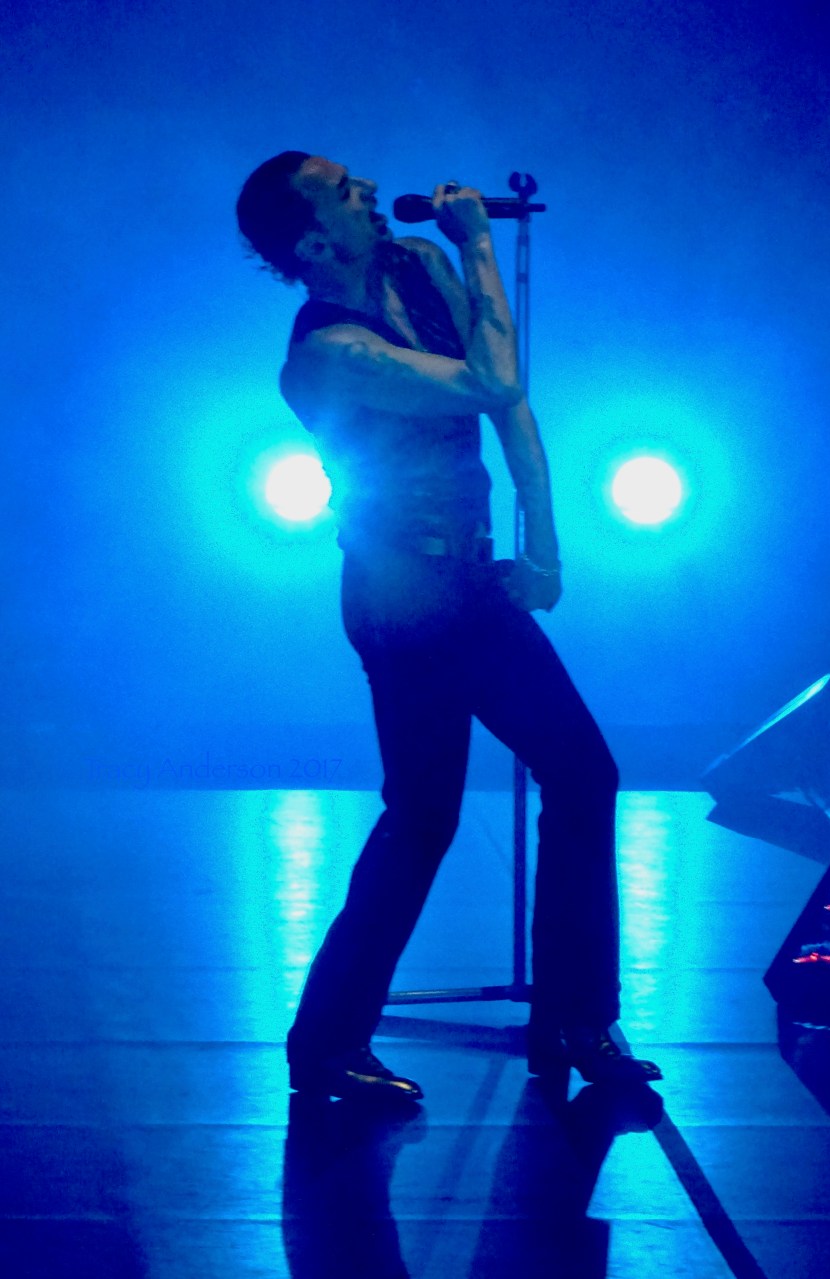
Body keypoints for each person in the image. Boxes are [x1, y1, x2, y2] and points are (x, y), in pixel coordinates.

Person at [236, 151, 662, 1101]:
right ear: (312, 243)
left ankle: (577, 1020)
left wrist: (543, 542)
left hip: (470, 579)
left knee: (581, 772)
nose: (365, 190)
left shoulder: (413, 269)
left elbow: (514, 409)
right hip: (400, 593)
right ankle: (326, 1045)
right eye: (340, 191)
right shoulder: (328, 355)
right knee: (424, 816)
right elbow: (488, 382)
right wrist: (479, 247)